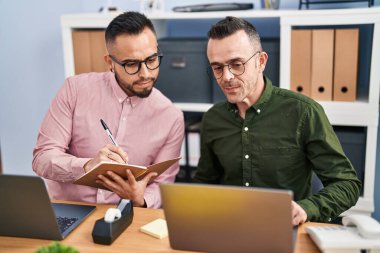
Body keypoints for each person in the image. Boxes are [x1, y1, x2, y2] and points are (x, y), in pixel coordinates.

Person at [193, 16, 361, 225]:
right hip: (231, 227)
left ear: (261, 62)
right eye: (217, 68)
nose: (226, 77)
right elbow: (204, 183)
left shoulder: (303, 112)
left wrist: (307, 209)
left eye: (236, 64)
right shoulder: (213, 119)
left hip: (287, 228)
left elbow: (347, 184)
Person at [33, 12, 184, 208]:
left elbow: (162, 185)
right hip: (68, 209)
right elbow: (42, 158)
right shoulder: (74, 90)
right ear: (110, 63)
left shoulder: (171, 117)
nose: (146, 73)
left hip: (126, 215)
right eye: (131, 64)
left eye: (152, 60)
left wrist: (141, 198)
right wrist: (87, 166)